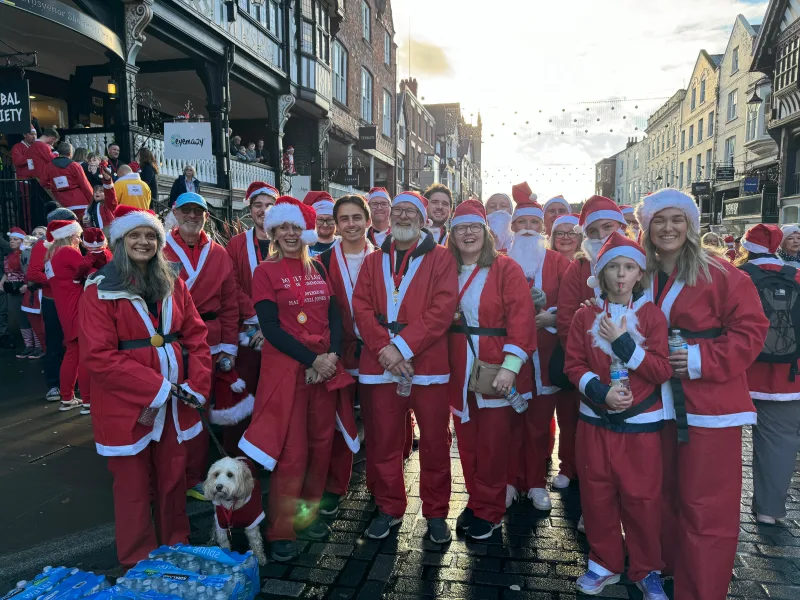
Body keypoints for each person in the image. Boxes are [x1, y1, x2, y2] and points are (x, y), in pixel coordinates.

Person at [634, 189, 769, 600]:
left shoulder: (724, 274)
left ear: (691, 225)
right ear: (647, 227)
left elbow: (751, 333)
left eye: (677, 219)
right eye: (660, 220)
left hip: (709, 408)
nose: (669, 228)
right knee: (663, 493)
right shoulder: (641, 273)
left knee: (706, 505)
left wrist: (697, 358)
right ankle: (668, 564)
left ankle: (703, 590)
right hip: (656, 403)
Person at [80, 204, 212, 568]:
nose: (144, 242)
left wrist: (197, 383)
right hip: (128, 404)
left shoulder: (173, 281)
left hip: (175, 402)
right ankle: (139, 559)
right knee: (133, 486)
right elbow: (99, 356)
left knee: (173, 478)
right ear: (120, 241)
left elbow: (197, 336)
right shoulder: (99, 289)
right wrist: (158, 386)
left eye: (151, 235)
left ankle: (176, 543)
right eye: (134, 235)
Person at [564, 232, 672, 599]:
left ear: (639, 273)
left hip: (642, 427)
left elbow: (660, 371)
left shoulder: (653, 316)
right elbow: (574, 364)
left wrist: (624, 344)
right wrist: (602, 394)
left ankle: (647, 568)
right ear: (601, 273)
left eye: (628, 267)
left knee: (642, 500)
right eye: (613, 267)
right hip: (594, 421)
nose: (621, 275)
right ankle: (604, 562)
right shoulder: (585, 315)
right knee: (597, 496)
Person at [238, 195, 345, 562]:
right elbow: (271, 329)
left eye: (295, 227)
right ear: (272, 231)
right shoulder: (264, 272)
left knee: (320, 446)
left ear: (305, 231)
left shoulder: (318, 267)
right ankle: (281, 527)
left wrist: (331, 358)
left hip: (323, 371)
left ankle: (307, 515)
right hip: (288, 372)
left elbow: (335, 317)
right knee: (292, 452)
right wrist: (314, 360)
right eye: (282, 227)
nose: (289, 233)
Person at [352, 190, 458, 543]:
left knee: (434, 441)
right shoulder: (371, 261)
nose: (402, 216)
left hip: (426, 365)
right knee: (383, 440)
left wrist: (400, 346)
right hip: (379, 363)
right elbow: (362, 308)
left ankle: (437, 511)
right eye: (397, 210)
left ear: (424, 218)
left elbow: (442, 309)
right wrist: (385, 348)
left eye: (411, 211)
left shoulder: (441, 259)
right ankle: (389, 506)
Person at [446, 199, 535, 540]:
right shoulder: (445, 268)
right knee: (467, 442)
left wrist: (510, 369)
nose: (467, 234)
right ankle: (477, 499)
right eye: (460, 228)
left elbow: (522, 321)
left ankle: (492, 509)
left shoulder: (505, 269)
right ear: (452, 234)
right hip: (459, 369)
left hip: (495, 367)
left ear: (484, 232)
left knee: (493, 444)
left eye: (473, 228)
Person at [163, 192, 241, 499]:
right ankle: (168, 473)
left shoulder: (219, 253)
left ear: (206, 216)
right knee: (165, 408)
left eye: (198, 212)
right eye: (186, 211)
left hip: (209, 338)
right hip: (168, 337)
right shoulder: (161, 248)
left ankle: (194, 475)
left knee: (197, 407)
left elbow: (230, 304)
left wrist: (229, 346)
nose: (192, 216)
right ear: (175, 213)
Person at [505, 192, 572, 510]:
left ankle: (534, 482)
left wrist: (552, 314)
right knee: (508, 421)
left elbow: (572, 304)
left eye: (534, 222)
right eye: (522, 223)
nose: (528, 228)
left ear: (542, 227)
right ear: (513, 226)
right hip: (509, 358)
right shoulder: (501, 258)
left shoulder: (558, 262)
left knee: (538, 424)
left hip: (545, 357)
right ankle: (508, 480)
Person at [736, 224, 800, 526]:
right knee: (781, 443)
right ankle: (769, 511)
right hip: (788, 378)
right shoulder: (796, 276)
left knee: (723, 445)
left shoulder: (735, 276)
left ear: (746, 245)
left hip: (739, 373)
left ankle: (719, 509)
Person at [317, 195, 373, 518]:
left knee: (379, 422)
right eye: (344, 219)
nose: (351, 225)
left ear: (367, 221)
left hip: (376, 352)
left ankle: (380, 487)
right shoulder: (322, 261)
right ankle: (335, 487)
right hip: (338, 351)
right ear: (335, 224)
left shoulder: (383, 258)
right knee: (338, 422)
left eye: (356, 218)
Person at [226, 182, 279, 393]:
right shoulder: (236, 244)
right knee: (248, 390)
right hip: (248, 330)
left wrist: (270, 326)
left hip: (282, 329)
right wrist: (257, 320)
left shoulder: (289, 242)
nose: (263, 210)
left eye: (269, 205)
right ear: (250, 210)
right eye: (258, 204)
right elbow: (232, 285)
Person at [556, 196, 628, 346]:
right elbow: (566, 321)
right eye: (593, 231)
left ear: (621, 227)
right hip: (589, 356)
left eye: (607, 227)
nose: (601, 236)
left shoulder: (639, 262)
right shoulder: (578, 268)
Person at [28, 206, 77, 402]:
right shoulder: (43, 245)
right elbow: (32, 274)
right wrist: (59, 281)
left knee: (73, 344)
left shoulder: (70, 243)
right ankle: (54, 384)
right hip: (53, 301)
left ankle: (72, 384)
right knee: (55, 343)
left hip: (70, 300)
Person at [40, 142, 94, 221]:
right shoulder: (74, 165)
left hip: (62, 202)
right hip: (80, 202)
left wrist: (54, 189)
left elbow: (43, 182)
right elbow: (85, 185)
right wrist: (92, 201)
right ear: (70, 153)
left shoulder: (49, 166)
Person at [19, 226, 47, 359]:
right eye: (34, 233)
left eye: (41, 234)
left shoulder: (49, 251)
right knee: (34, 321)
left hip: (44, 291)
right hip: (32, 293)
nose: (37, 236)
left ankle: (43, 348)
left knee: (45, 322)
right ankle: (38, 347)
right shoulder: (26, 253)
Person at [2, 227, 28, 353]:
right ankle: (24, 342)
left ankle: (32, 344)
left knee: (26, 316)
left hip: (22, 288)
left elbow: (29, 271)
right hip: (11, 289)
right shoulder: (8, 256)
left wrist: (27, 285)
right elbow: (7, 272)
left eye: (15, 239)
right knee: (14, 315)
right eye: (11, 239)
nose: (12, 241)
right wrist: (2, 281)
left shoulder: (25, 254)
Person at [304, 191, 338, 256]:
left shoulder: (343, 246)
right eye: (320, 220)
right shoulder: (304, 247)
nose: (325, 225)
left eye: (329, 219)